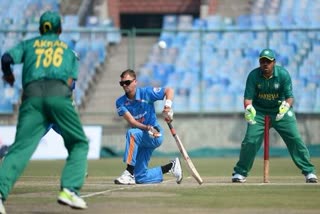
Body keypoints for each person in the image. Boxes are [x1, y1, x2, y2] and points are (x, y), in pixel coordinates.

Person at [0, 11, 89, 213]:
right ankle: (69, 189)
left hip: (31, 98)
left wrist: (9, 76)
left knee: (20, 148)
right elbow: (70, 81)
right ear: (60, 29)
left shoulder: (29, 45)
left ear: (40, 28)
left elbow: (5, 58)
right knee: (79, 142)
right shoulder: (67, 51)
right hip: (59, 98)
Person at [232, 48, 318, 183]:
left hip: (280, 111)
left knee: (295, 139)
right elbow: (248, 99)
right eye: (262, 61)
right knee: (250, 141)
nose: (265, 64)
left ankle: (309, 172)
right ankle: (240, 172)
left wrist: (286, 106)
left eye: (268, 61)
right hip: (259, 112)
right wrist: (248, 108)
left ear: (274, 62)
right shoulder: (253, 76)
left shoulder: (283, 74)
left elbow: (290, 97)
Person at [114, 69, 183, 185]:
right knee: (141, 177)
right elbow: (132, 121)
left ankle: (129, 172)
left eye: (127, 82)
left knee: (132, 133)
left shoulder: (146, 93)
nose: (124, 85)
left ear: (135, 82)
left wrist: (167, 107)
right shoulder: (120, 102)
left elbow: (169, 90)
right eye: (122, 83)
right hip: (144, 134)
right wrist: (147, 128)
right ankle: (171, 167)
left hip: (155, 135)